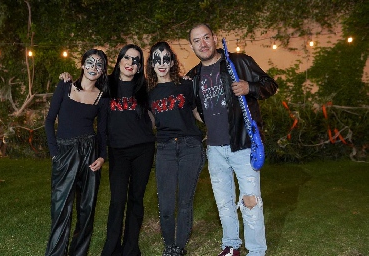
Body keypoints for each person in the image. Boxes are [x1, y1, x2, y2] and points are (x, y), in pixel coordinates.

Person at [186, 24, 278, 256]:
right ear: (192, 46)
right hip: (215, 149)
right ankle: (231, 246)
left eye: (206, 37)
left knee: (250, 201)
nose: (203, 43)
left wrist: (250, 87)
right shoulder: (194, 75)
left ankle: (256, 251)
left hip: (243, 144)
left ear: (214, 38)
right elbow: (196, 107)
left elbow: (271, 85)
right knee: (224, 203)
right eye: (197, 40)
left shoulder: (238, 62)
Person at [44, 49, 109, 256]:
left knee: (87, 209)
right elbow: (48, 121)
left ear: (102, 71)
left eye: (99, 65)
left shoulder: (102, 97)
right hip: (65, 151)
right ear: (82, 65)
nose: (93, 68)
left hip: (90, 153)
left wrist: (102, 156)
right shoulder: (64, 86)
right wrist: (55, 153)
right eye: (90, 63)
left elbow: (103, 131)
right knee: (61, 209)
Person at [146, 42, 205, 256]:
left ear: (172, 61)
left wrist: (221, 123)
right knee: (167, 203)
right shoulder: (149, 93)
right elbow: (149, 123)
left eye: (166, 59)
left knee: (185, 201)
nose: (162, 64)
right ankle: (168, 245)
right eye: (156, 59)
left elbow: (198, 113)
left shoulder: (186, 85)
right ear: (151, 64)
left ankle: (179, 248)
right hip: (165, 149)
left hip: (190, 146)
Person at [101, 44, 156, 256]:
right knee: (117, 201)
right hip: (118, 151)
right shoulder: (107, 84)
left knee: (136, 199)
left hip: (143, 149)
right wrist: (67, 78)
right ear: (119, 60)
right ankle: (112, 248)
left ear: (140, 67)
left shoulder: (144, 87)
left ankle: (131, 248)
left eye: (135, 60)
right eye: (126, 57)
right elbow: (84, 84)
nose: (130, 63)